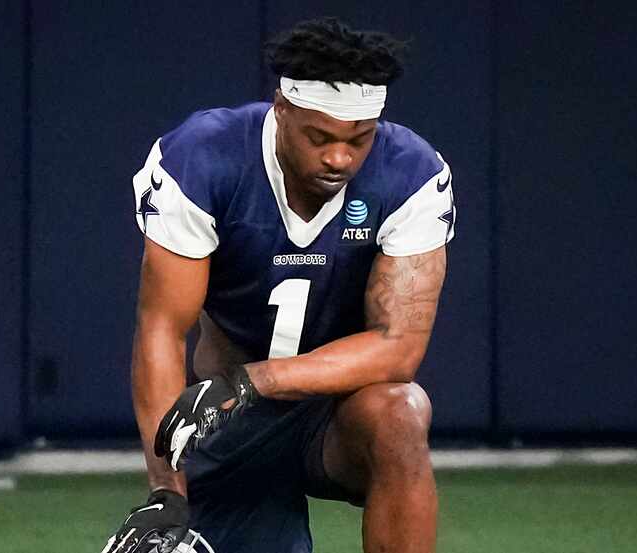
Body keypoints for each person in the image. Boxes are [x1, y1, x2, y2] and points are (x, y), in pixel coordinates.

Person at [101, 17, 456, 553]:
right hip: (225, 422)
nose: (339, 158)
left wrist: (254, 379)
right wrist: (164, 489)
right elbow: (161, 331)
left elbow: (398, 347)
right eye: (320, 137)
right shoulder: (203, 159)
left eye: (358, 140)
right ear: (282, 108)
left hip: (332, 418)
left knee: (401, 413)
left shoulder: (411, 174)